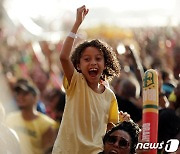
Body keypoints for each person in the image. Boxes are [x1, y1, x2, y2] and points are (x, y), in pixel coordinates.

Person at [52, 5, 130, 154]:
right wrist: (76, 24)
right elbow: (63, 57)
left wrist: (122, 121)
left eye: (98, 59)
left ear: (105, 64)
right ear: (78, 65)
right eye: (87, 59)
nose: (93, 62)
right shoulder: (76, 82)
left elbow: (110, 128)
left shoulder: (109, 96)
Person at [6, 79, 57, 154]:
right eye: (18, 94)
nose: (20, 97)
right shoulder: (9, 118)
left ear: (35, 97)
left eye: (25, 94)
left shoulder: (47, 125)